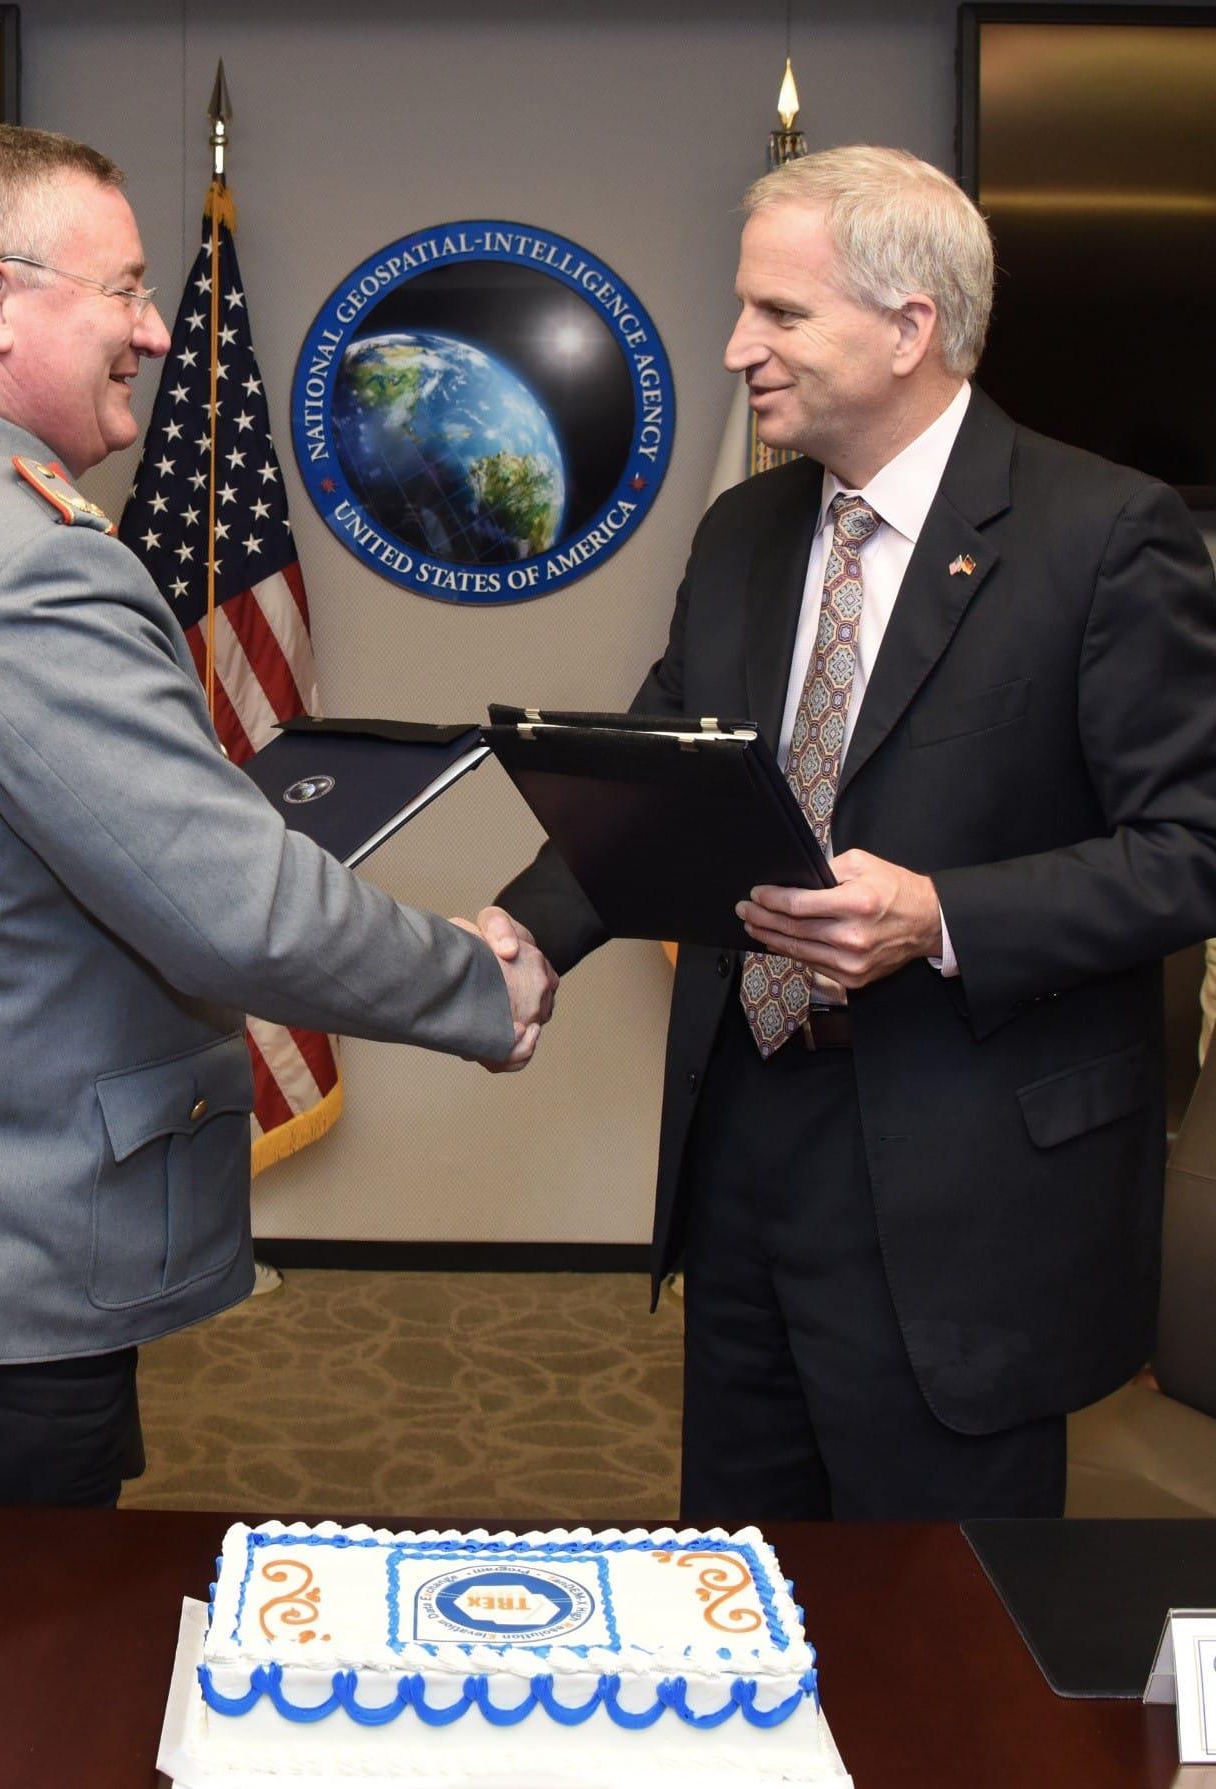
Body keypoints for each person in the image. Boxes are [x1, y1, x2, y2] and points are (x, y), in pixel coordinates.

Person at [0, 126, 556, 1508]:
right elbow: (233, 910)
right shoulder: (26, 567)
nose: (150, 326)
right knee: (9, 1674)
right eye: (124, 287)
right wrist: (475, 986)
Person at [483, 145, 1216, 1521]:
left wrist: (943, 917)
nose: (734, 348)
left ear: (909, 326)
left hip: (965, 1167)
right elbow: (652, 778)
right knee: (744, 1579)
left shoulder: (1104, 535)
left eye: (778, 313)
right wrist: (521, 935)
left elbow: (1194, 845)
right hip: (748, 1133)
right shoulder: (748, 531)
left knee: (944, 1627)